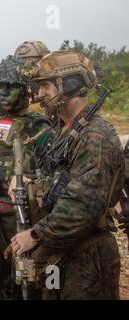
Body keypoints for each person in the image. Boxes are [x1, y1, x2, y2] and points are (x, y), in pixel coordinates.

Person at [9, 50, 124, 300]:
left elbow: (80, 208)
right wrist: (32, 183)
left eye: (46, 86)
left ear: (70, 85)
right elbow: (63, 182)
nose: (39, 95)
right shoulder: (65, 131)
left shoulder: (95, 138)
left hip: (87, 257)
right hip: (60, 251)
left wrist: (35, 235)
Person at [0, 56, 54, 300]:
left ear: (27, 90)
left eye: (11, 87)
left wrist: (30, 179)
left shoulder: (40, 127)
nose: (3, 93)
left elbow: (54, 173)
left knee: (26, 279)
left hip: (25, 217)